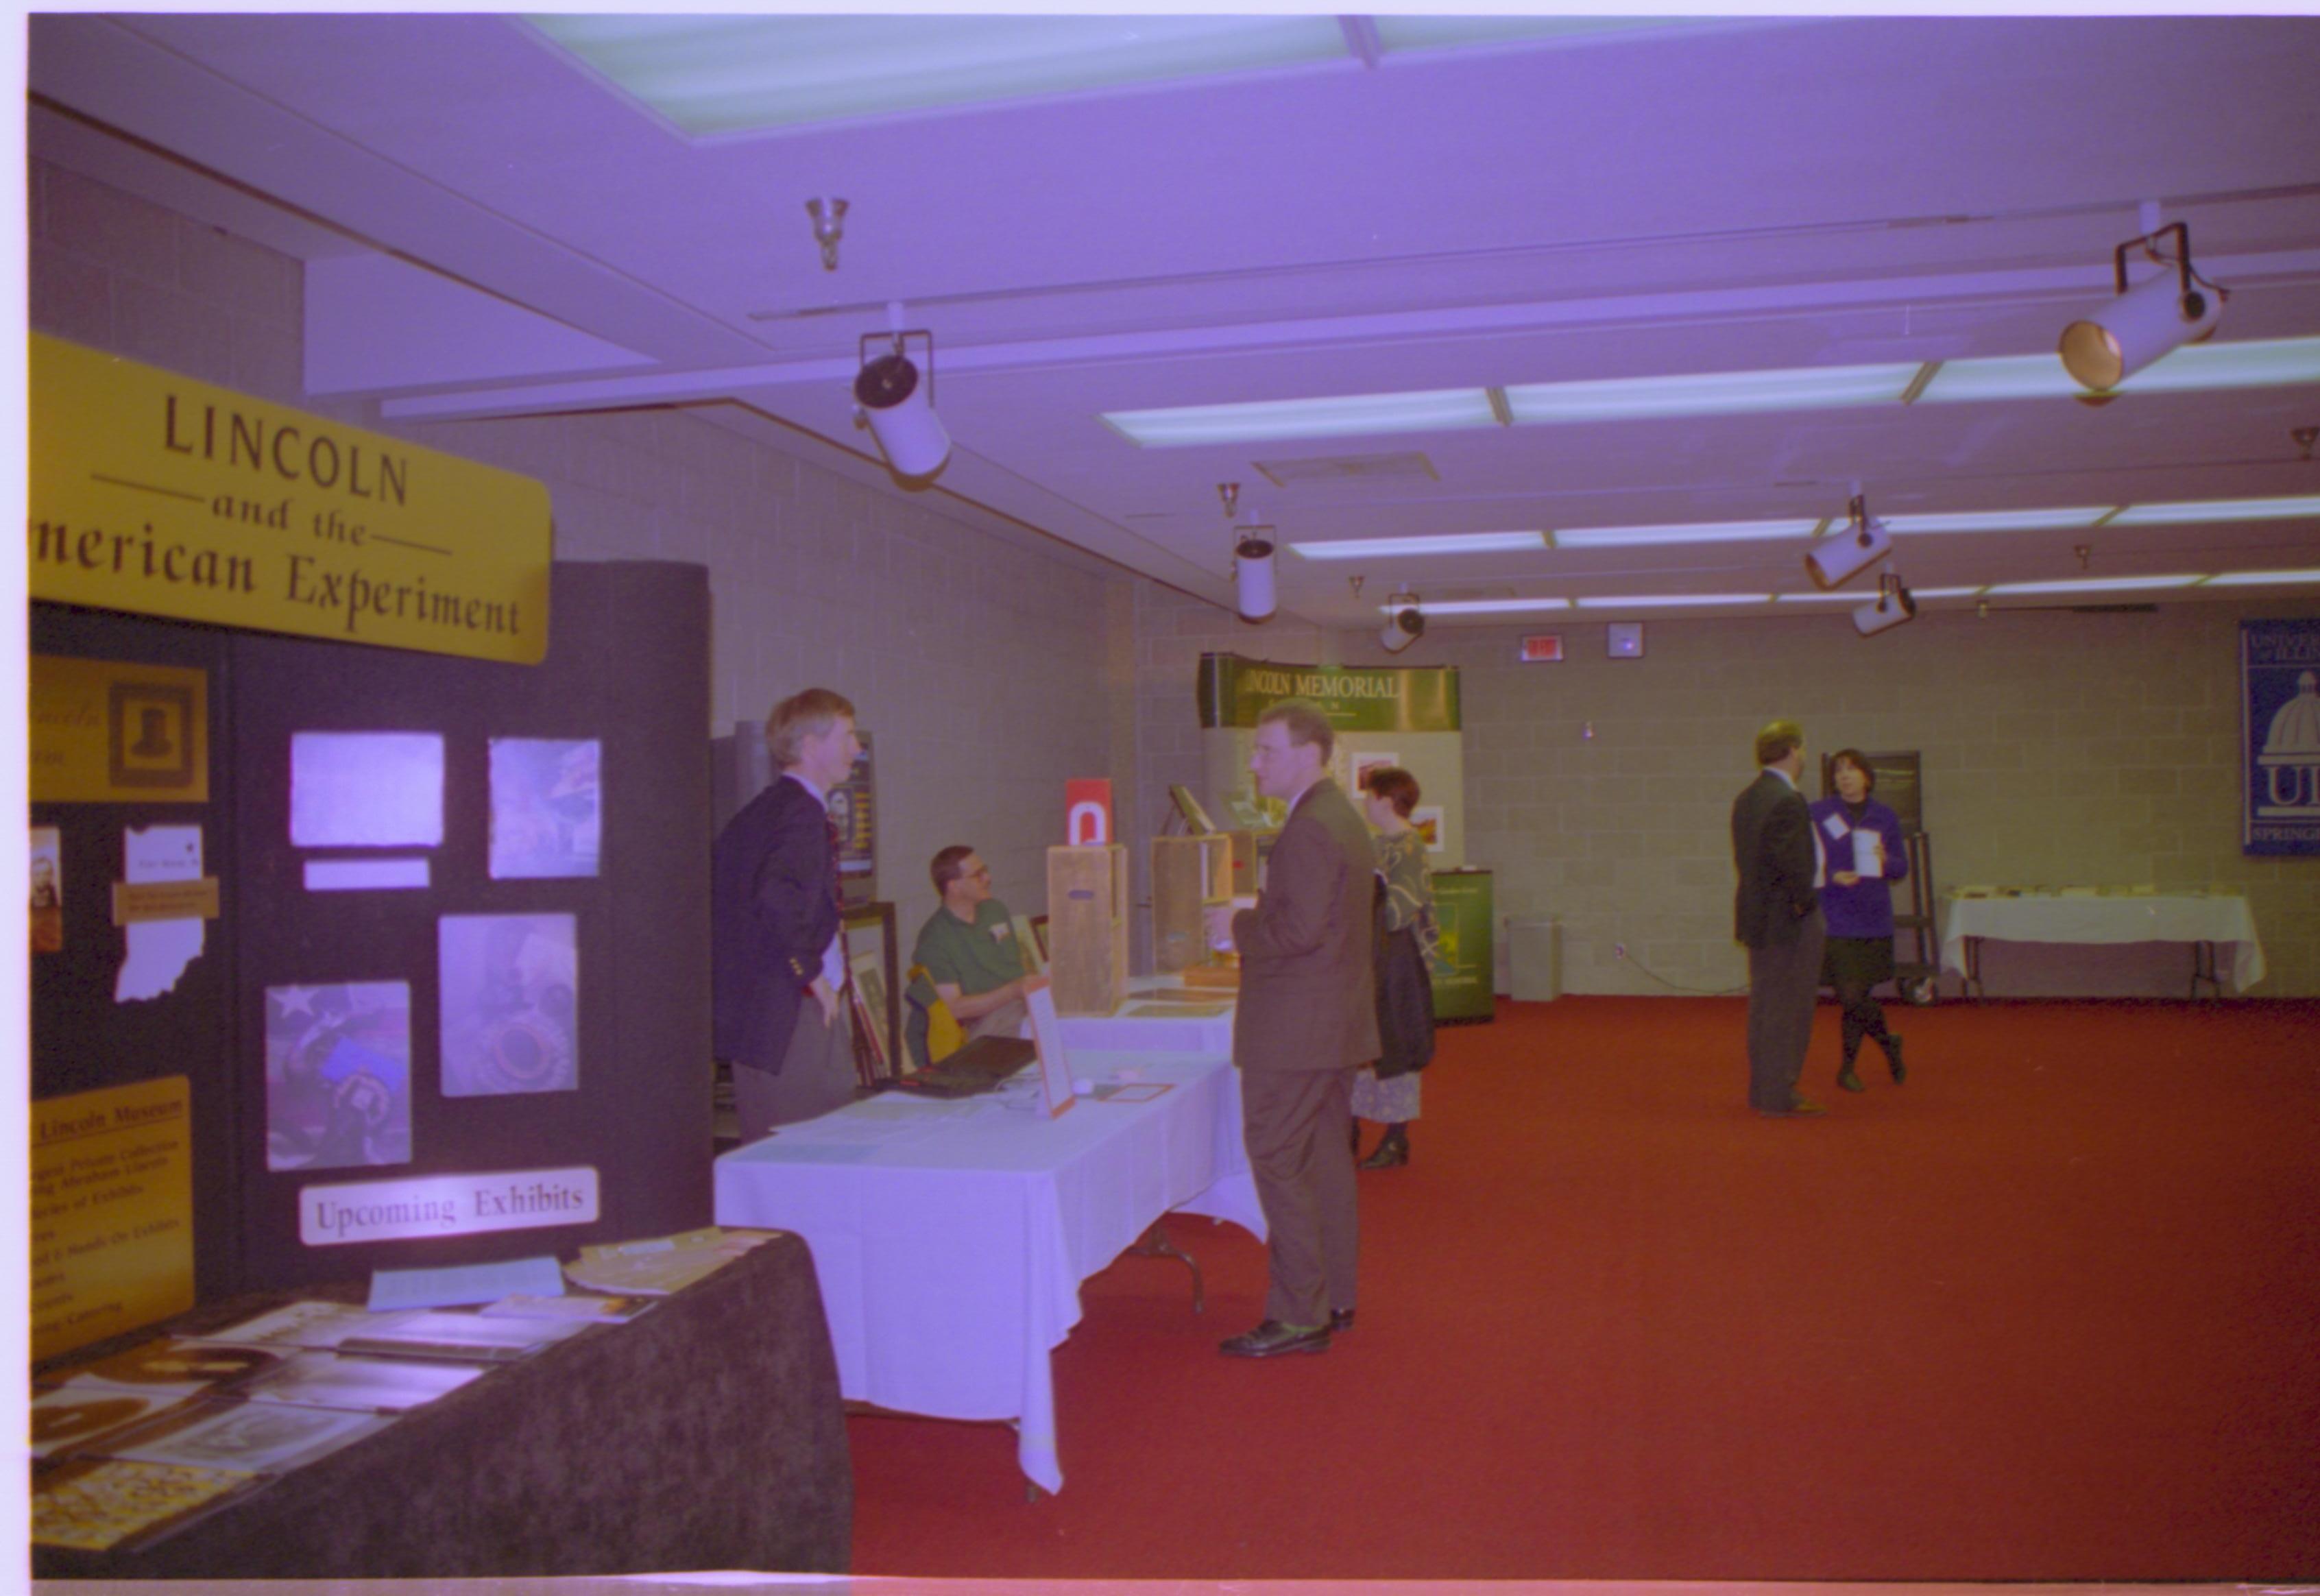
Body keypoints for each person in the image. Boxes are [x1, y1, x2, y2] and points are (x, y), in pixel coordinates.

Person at [1203, 700, 1378, 1358]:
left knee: (1278, 1161)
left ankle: (1300, 1315)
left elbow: (1297, 932)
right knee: (1326, 1161)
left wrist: (1236, 927)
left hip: (1295, 1032)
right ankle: (1334, 1296)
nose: (1254, 763)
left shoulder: (1309, 827)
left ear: (1309, 754)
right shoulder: (1338, 816)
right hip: (1330, 1024)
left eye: (1266, 750)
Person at [712, 688, 863, 1137]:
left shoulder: (761, 810)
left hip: (760, 1016)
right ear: (811, 746)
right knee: (818, 1142)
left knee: (769, 1146)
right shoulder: (801, 815)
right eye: (848, 736)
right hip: (792, 1011)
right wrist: (811, 973)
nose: (856, 749)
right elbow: (776, 895)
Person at [1731, 718, 1826, 1118]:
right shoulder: (1787, 800)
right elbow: (1794, 867)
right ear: (1791, 751)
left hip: (1759, 916)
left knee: (1766, 1005)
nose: (1804, 756)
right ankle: (1779, 1092)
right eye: (1802, 748)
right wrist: (1805, 906)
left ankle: (1763, 1089)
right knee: (1790, 1007)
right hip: (1789, 920)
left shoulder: (1748, 797)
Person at [1353, 766, 1439, 1170]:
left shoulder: (1409, 846)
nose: (1365, 803)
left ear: (1385, 800)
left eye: (1369, 796)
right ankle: (1348, 1127)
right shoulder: (1376, 844)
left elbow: (1399, 912)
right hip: (1372, 957)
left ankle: (1395, 1140)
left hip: (1397, 960)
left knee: (1396, 1045)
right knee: (1361, 1045)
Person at [1810, 749, 1909, 1093]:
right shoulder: (1819, 813)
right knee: (1850, 994)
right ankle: (1887, 1044)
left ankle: (1848, 1068)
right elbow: (1806, 860)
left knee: (1857, 995)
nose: (1844, 776)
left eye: (1851, 770)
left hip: (1872, 916)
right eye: (1838, 771)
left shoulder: (1885, 816)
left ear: (1867, 776)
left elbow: (1901, 869)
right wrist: (1832, 875)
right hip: (1836, 916)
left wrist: (1886, 860)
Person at [912, 845, 1031, 1040]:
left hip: (1026, 1005)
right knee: (1055, 1037)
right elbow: (955, 1008)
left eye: (985, 870)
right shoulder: (934, 939)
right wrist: (1012, 992)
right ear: (954, 887)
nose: (988, 878)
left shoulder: (995, 910)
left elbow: (1016, 966)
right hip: (988, 1023)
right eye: (978, 875)